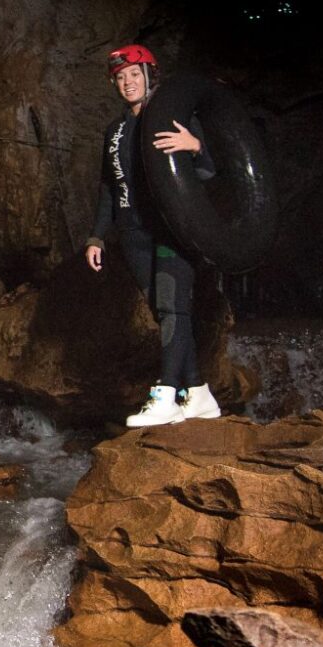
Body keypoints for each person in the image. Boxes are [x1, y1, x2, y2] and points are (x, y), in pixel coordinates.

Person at [87, 43, 221, 427]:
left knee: (172, 307)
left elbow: (209, 172)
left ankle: (164, 394)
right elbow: (107, 189)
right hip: (133, 235)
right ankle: (196, 393)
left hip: (171, 231)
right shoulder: (115, 131)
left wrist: (196, 147)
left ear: (149, 75)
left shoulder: (171, 117)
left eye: (134, 75)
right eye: (120, 77)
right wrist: (96, 236)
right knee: (167, 314)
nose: (127, 82)